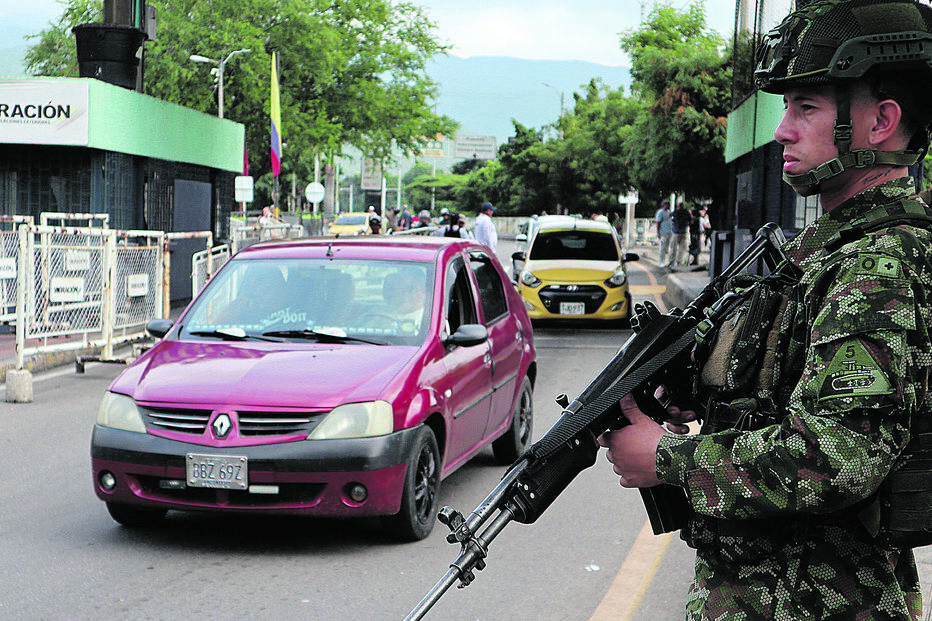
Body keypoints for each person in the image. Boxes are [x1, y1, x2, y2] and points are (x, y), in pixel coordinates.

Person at [599, 1, 932, 618]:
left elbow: (839, 457)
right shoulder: (828, 251)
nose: (782, 129)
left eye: (806, 107)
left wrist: (667, 459)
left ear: (881, 122)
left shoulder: (876, 263)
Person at [654, 199, 673, 267]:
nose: (667, 206)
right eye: (666, 204)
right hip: (663, 232)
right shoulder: (660, 212)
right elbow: (658, 222)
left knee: (667, 247)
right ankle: (661, 261)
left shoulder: (668, 212)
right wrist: (658, 232)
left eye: (668, 204)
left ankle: (666, 261)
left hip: (669, 231)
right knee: (662, 247)